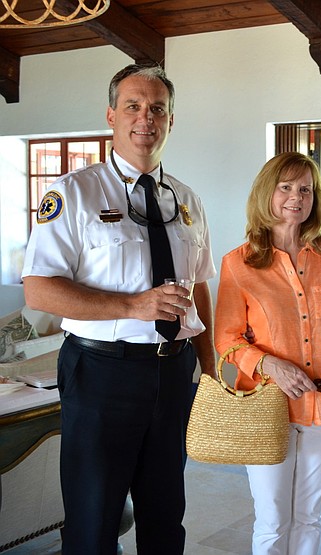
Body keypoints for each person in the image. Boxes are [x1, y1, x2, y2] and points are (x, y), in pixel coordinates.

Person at [21, 63, 216, 554]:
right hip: (102, 373)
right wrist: (134, 305)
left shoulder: (188, 200)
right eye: (132, 106)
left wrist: (208, 367)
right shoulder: (72, 193)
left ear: (172, 120)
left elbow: (200, 288)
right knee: (94, 520)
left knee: (165, 517)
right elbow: (39, 291)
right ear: (111, 115)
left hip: (174, 375)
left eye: (158, 109)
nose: (144, 119)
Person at [214, 152, 321, 555]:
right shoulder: (238, 264)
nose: (295, 197)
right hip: (267, 407)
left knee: (310, 515)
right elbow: (226, 338)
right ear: (267, 192)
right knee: (271, 518)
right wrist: (268, 363)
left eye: (305, 188)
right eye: (285, 187)